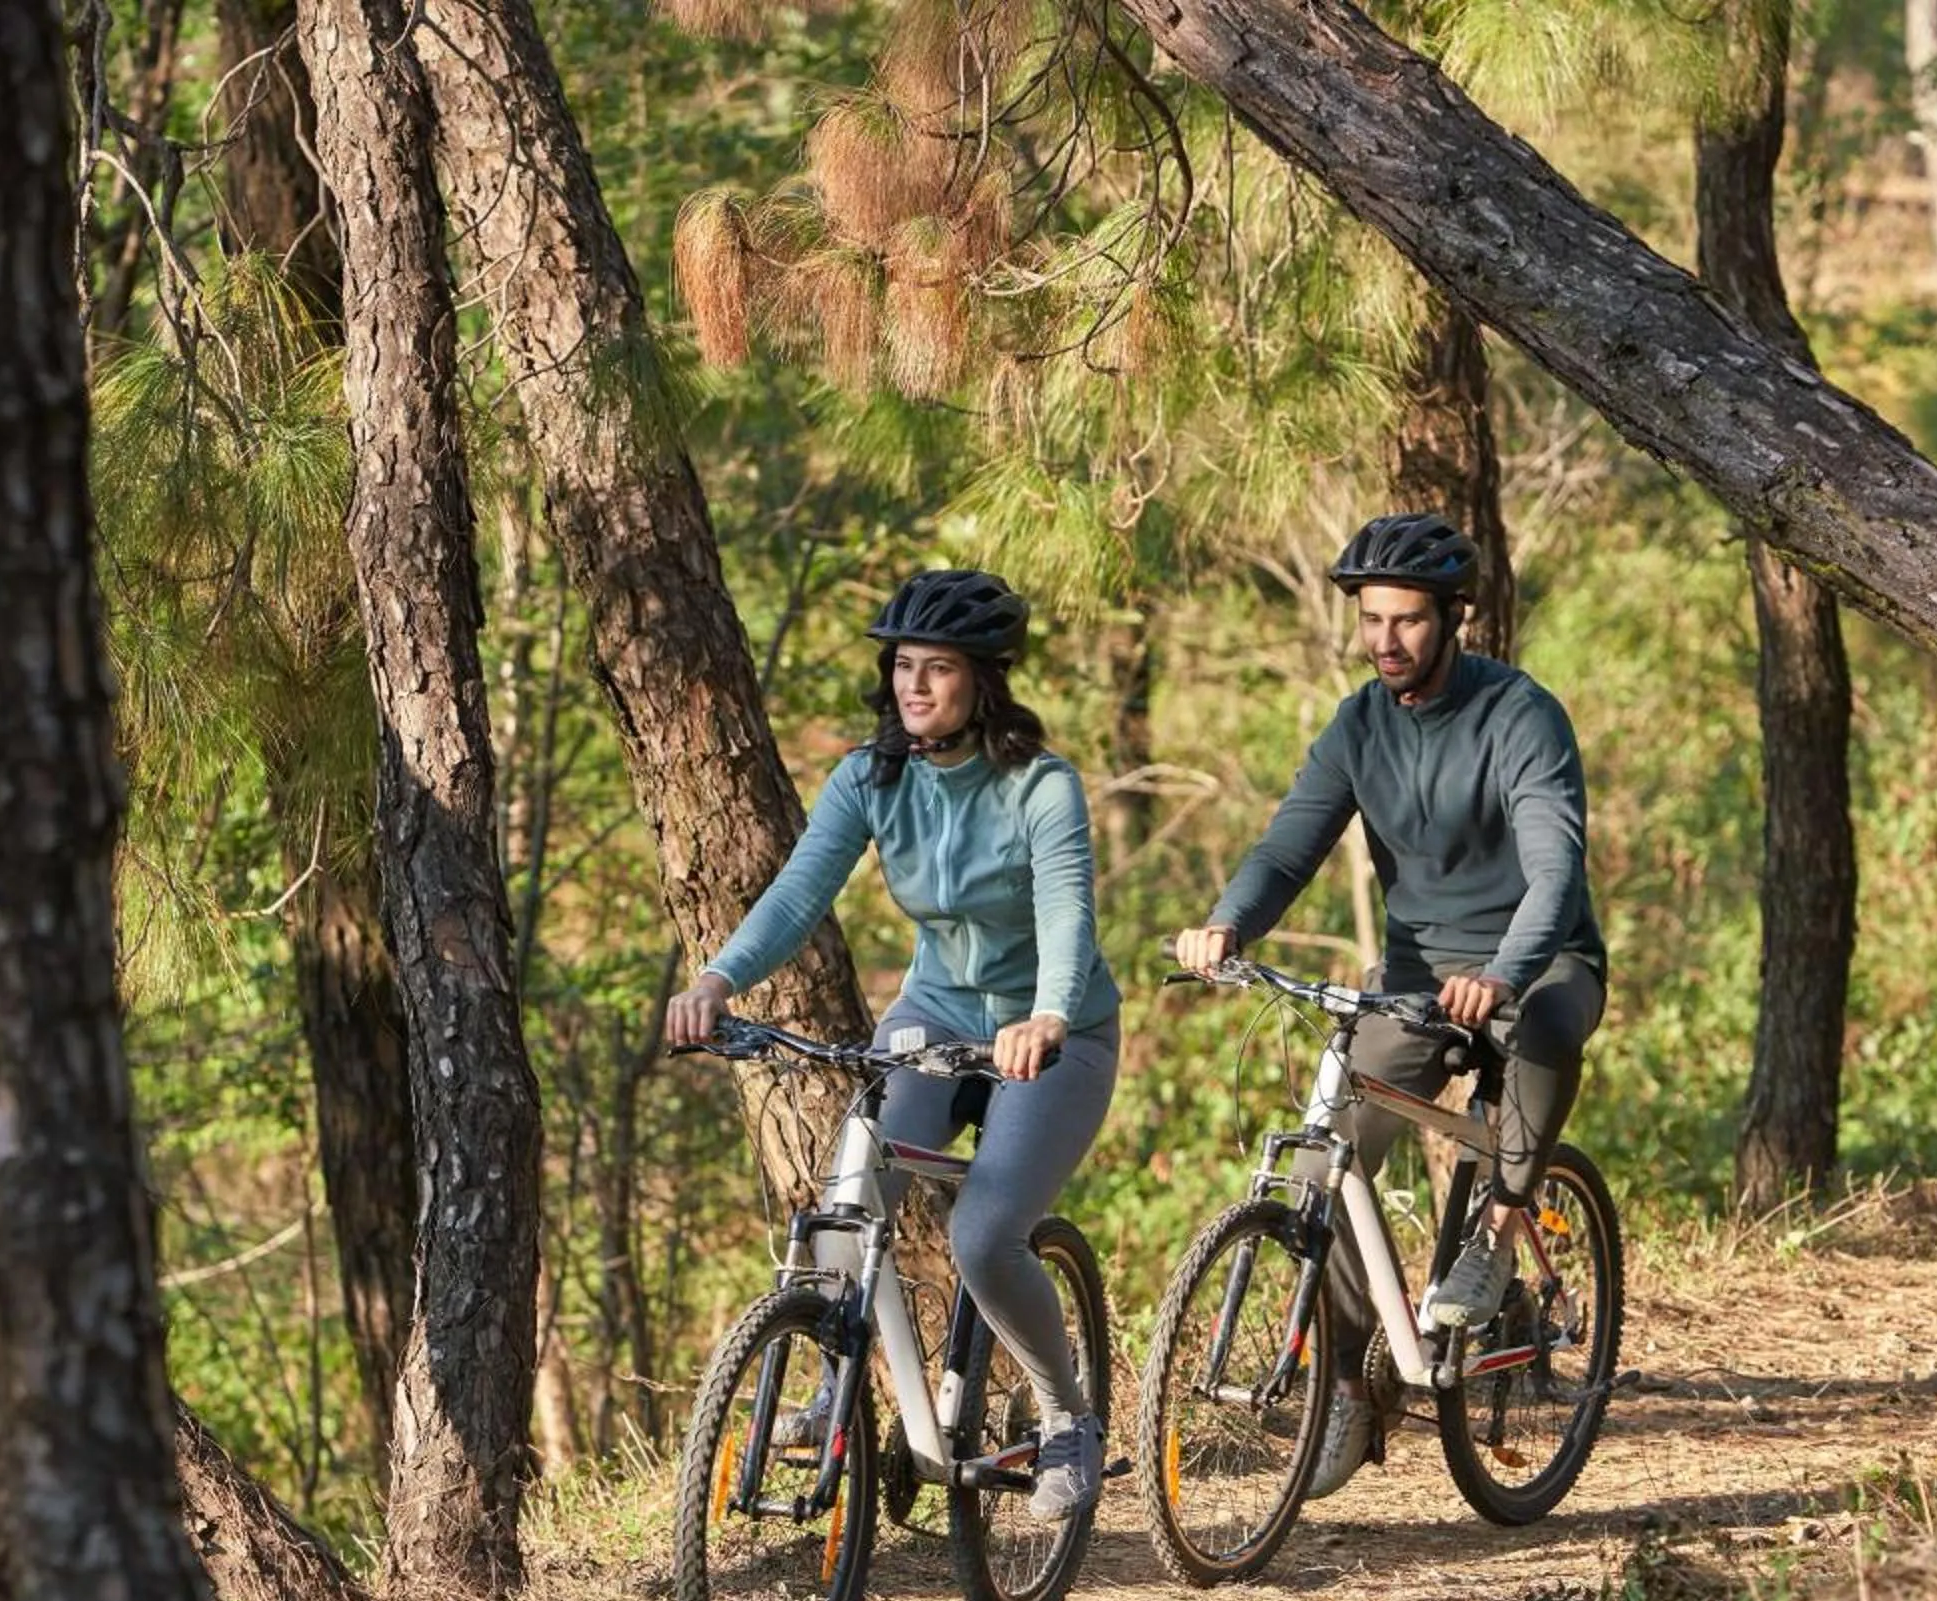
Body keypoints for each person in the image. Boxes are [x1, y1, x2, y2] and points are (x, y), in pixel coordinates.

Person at [667, 569, 1122, 1522]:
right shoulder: (873, 777)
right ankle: (839, 1372)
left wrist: (1042, 1014)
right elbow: (798, 894)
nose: (915, 686)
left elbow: (1066, 912)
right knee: (853, 1188)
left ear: (984, 681)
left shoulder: (1040, 786)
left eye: (939, 669)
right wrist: (718, 978)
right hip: (935, 1012)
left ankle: (1064, 1415)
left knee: (984, 1234)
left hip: (1056, 1030)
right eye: (904, 666)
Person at [1173, 511, 1606, 1498]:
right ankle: (1350, 1392)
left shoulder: (1520, 715)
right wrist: (1229, 923)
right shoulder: (1358, 723)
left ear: (1454, 617)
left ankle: (1497, 1236)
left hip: (1537, 962)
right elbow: (1289, 848)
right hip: (1416, 976)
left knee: (1538, 1030)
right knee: (1339, 1147)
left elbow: (1554, 870)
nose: (1385, 640)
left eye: (1407, 619)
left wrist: (1501, 971)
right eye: (1371, 620)